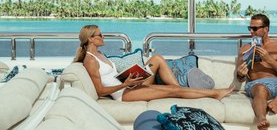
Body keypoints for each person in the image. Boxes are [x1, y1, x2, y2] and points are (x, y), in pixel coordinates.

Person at [73, 24, 234, 102]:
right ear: (90, 39)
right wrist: (125, 85)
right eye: (100, 35)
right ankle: (214, 93)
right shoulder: (90, 61)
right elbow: (100, 90)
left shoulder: (99, 54)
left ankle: (183, 90)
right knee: (171, 91)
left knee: (156, 58)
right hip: (123, 94)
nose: (103, 37)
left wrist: (130, 77)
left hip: (128, 86)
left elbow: (112, 76)